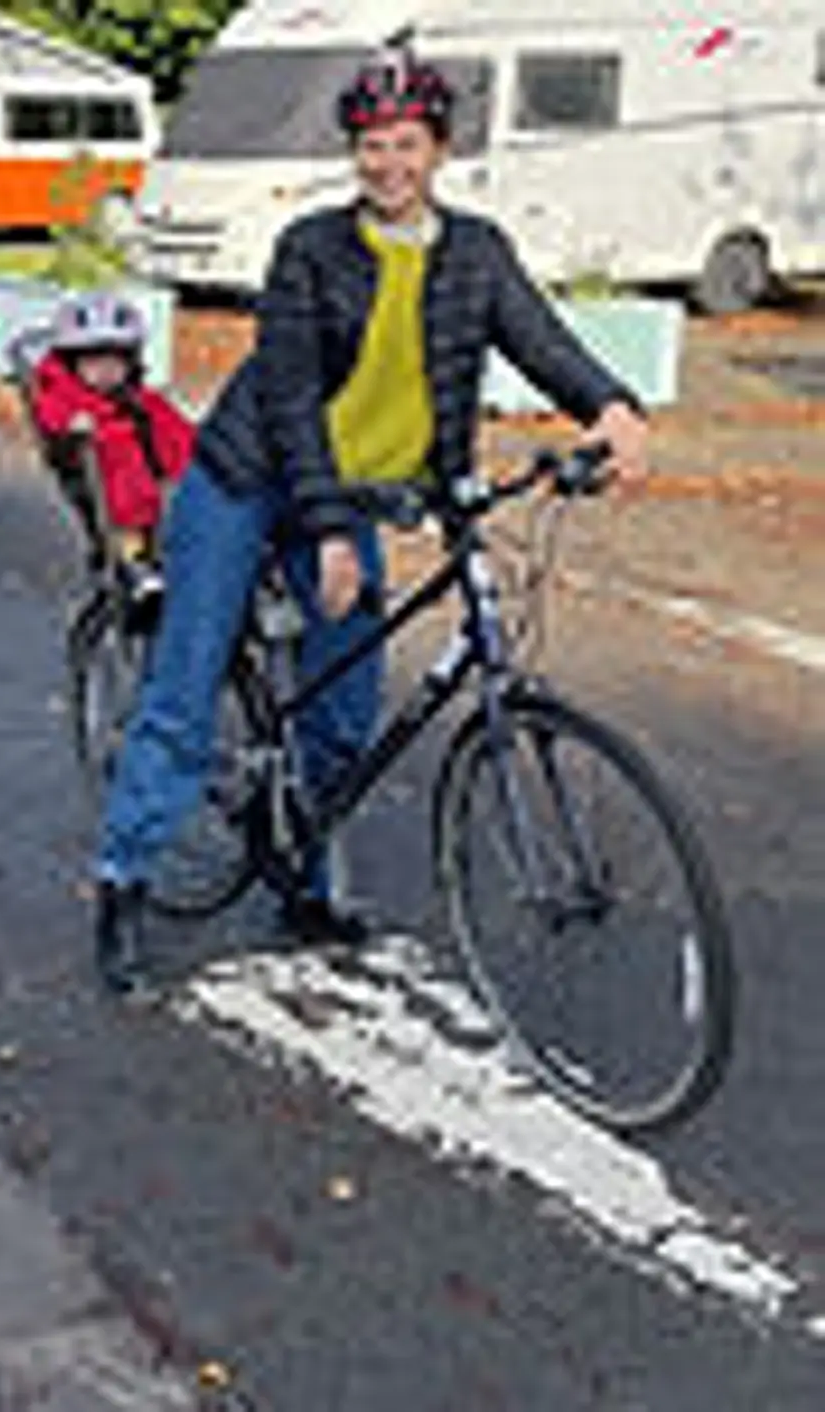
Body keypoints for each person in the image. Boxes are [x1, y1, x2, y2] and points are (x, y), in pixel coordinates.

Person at [94, 52, 651, 995]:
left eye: (405, 145)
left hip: (348, 499)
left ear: (439, 150)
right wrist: (325, 527)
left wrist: (614, 405)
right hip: (251, 480)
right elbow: (291, 396)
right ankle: (123, 884)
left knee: (344, 711)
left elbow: (540, 337)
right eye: (370, 147)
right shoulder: (311, 248)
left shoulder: (476, 251)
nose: (388, 164)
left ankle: (304, 887)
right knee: (186, 690)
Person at [28, 290, 194, 584]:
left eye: (116, 361)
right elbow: (49, 413)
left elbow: (181, 435)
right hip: (115, 505)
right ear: (71, 362)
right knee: (131, 539)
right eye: (93, 360)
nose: (106, 370)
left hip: (157, 496)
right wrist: (70, 425)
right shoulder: (65, 396)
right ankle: (136, 571)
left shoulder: (141, 401)